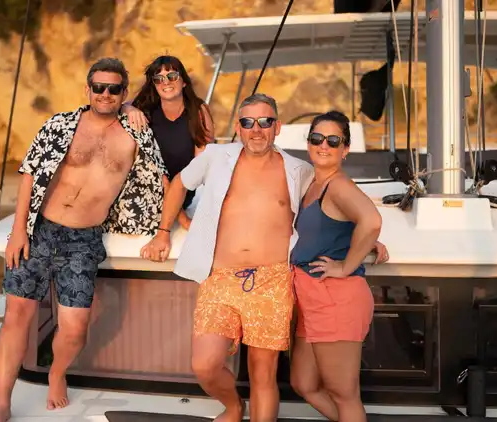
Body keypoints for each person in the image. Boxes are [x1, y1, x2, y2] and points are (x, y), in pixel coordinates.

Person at [139, 94, 387, 421]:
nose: (256, 129)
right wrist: (164, 229)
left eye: (265, 121)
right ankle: (233, 406)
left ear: (278, 127)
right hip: (221, 276)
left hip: (272, 280)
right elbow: (179, 185)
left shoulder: (298, 170)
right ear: (239, 128)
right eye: (247, 122)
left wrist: (371, 240)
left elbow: (335, 202)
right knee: (205, 364)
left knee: (263, 373)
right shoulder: (216, 155)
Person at [0, 57, 168, 421]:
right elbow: (29, 174)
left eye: (114, 88)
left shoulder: (137, 133)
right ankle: (2, 402)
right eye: (98, 87)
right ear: (87, 90)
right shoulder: (60, 124)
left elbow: (163, 178)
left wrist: (172, 226)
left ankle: (56, 373)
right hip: (41, 231)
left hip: (83, 240)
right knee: (16, 315)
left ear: (123, 92)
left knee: (75, 329)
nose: (105, 94)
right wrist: (18, 229)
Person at [289, 111, 385, 422]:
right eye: (317, 138)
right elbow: (339, 226)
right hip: (310, 296)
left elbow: (370, 220)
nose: (324, 145)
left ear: (345, 149)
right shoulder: (313, 184)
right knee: (303, 383)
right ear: (308, 143)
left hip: (335, 296)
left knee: (344, 394)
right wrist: (363, 243)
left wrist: (345, 266)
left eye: (333, 141)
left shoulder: (338, 185)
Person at [123, 55, 215, 229]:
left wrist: (176, 188)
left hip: (183, 189)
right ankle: (182, 219)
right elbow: (121, 106)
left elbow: (202, 163)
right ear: (154, 86)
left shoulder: (199, 111)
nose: (166, 82)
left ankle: (178, 215)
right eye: (158, 79)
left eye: (172, 76)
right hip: (148, 188)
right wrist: (129, 109)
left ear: (184, 81)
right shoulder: (146, 110)